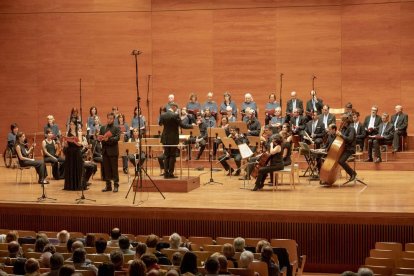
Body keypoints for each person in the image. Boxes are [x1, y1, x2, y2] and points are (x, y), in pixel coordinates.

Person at [159, 102, 193, 178]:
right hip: (173, 138)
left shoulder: (163, 115)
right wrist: (192, 126)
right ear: (174, 107)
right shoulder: (175, 115)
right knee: (172, 156)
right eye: (176, 108)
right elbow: (182, 125)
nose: (177, 110)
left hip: (165, 138)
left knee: (166, 155)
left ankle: (166, 173)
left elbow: (160, 124)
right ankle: (170, 173)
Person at [100, 112, 121, 192]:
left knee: (114, 169)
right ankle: (108, 186)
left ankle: (116, 185)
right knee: (107, 169)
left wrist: (108, 139)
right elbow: (100, 136)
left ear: (113, 119)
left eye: (111, 118)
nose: (109, 120)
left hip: (113, 151)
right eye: (108, 118)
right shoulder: (103, 128)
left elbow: (117, 138)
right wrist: (99, 138)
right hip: (105, 151)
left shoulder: (116, 128)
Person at [63, 119, 84, 191]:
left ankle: (77, 185)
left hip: (77, 152)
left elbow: (80, 144)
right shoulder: (67, 133)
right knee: (70, 168)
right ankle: (70, 186)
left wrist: (74, 141)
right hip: (69, 153)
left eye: (72, 124)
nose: (71, 126)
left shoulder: (79, 133)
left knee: (77, 168)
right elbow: (65, 145)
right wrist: (65, 143)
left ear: (75, 125)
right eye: (70, 124)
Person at [335, 114, 357, 182]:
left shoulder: (351, 129)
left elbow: (350, 139)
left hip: (350, 149)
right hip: (344, 148)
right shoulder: (344, 128)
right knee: (337, 159)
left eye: (342, 120)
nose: (341, 122)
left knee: (341, 161)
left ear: (346, 122)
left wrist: (341, 135)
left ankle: (352, 173)